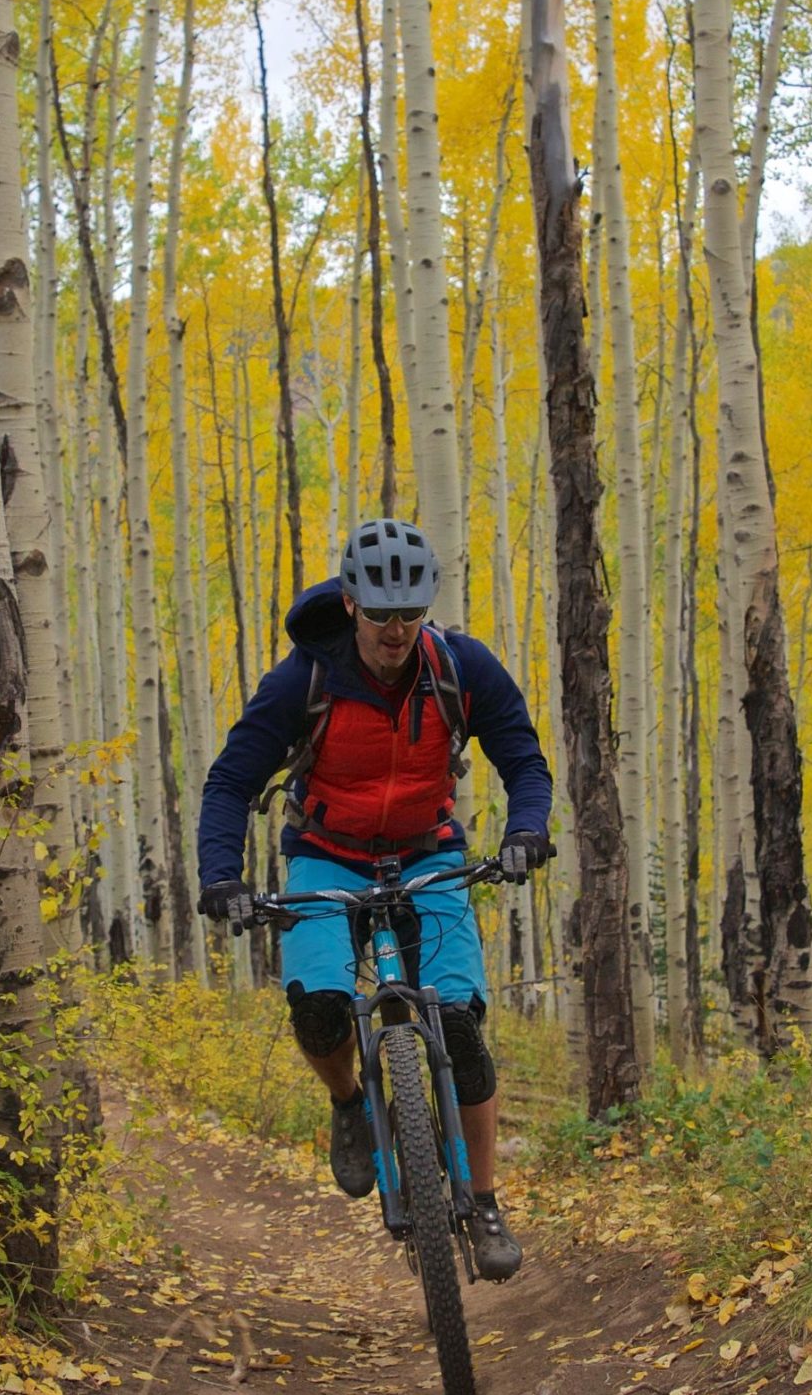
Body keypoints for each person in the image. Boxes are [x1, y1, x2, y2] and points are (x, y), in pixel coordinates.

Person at [196, 519, 553, 1282]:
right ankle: (351, 1100)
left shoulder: (461, 668)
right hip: (326, 856)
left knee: (460, 1023)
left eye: (409, 613)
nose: (395, 631)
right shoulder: (304, 680)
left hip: (430, 851)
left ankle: (484, 1202)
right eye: (381, 613)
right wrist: (221, 875)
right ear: (351, 602)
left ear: (425, 608)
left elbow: (524, 758)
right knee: (320, 1005)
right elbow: (230, 781)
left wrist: (526, 830)